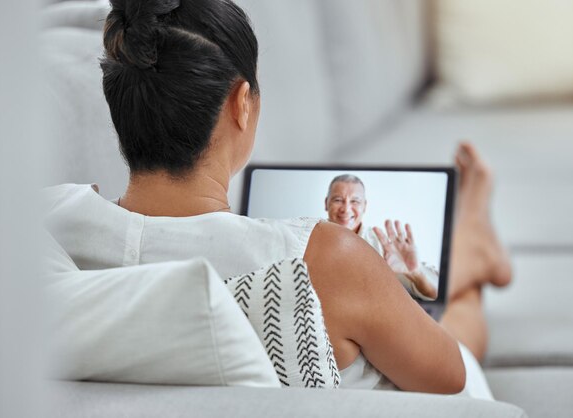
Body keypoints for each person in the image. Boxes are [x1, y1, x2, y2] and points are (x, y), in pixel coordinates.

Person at [46, 0, 512, 397]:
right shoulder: (322, 260)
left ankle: (471, 246)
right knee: (458, 322)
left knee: (413, 288)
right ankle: (473, 243)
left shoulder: (46, 226)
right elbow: (448, 378)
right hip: (423, 372)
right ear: (241, 104)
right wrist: (372, 279)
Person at [324, 175, 439, 300]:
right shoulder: (305, 242)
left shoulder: (386, 248)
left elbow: (436, 294)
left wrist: (416, 272)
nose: (346, 209)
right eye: (338, 200)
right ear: (326, 203)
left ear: (364, 206)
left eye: (355, 201)